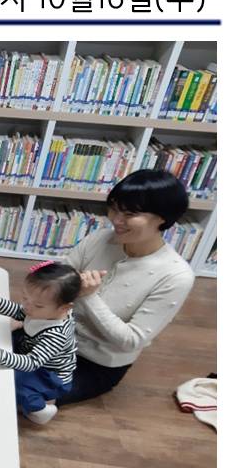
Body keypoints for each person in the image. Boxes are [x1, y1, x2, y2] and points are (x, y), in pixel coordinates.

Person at [57, 170, 196, 405]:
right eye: (114, 208)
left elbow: (131, 340)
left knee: (22, 393)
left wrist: (89, 297)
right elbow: (59, 277)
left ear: (163, 217)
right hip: (52, 333)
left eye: (130, 214)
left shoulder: (176, 276)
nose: (116, 220)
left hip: (95, 363)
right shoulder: (101, 238)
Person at [0, 262, 81, 424]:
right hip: (32, 350)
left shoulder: (56, 335)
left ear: (64, 308)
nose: (27, 306)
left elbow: (31, 363)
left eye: (38, 305)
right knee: (7, 340)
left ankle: (41, 410)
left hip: (50, 376)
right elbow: (18, 311)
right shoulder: (41, 311)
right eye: (25, 298)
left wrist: (0, 354)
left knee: (13, 382)